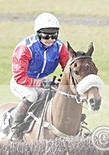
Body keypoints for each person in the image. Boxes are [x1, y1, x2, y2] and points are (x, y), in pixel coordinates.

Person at [8, 12, 70, 140]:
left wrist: (63, 82)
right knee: (32, 95)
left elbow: (67, 68)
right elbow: (20, 77)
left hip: (42, 80)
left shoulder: (60, 47)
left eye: (54, 36)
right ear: (38, 34)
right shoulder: (25, 49)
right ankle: (15, 128)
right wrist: (40, 84)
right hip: (21, 81)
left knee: (60, 94)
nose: (50, 40)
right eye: (46, 36)